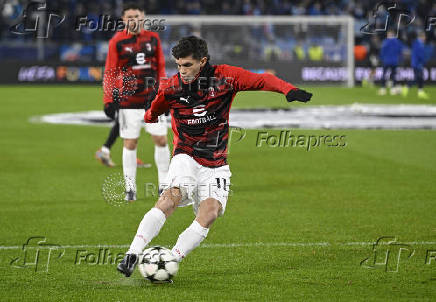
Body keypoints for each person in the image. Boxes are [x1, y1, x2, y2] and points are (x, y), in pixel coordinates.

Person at [116, 36, 313, 277]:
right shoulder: (171, 88)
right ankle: (132, 254)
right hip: (185, 155)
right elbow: (152, 113)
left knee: (210, 213)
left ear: (203, 61)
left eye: (187, 65)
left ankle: (171, 259)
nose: (182, 71)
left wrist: (288, 90)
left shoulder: (226, 77)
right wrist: (148, 117)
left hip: (217, 164)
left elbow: (262, 80)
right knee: (170, 198)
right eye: (178, 65)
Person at [103, 3, 170, 201]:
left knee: (161, 140)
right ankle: (130, 189)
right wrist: (108, 100)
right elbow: (110, 71)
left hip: (152, 100)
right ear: (124, 20)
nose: (133, 20)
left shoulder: (153, 38)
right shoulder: (116, 41)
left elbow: (161, 69)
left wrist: (164, 96)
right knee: (130, 143)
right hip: (128, 101)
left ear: (143, 17)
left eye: (137, 16)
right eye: (129, 17)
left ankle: (164, 186)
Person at [402, 32, 431, 99]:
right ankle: (407, 87)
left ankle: (420, 92)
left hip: (416, 63)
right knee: (417, 78)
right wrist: (423, 61)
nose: (425, 38)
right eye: (424, 37)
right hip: (418, 64)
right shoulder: (419, 44)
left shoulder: (417, 43)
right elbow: (420, 55)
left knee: (420, 78)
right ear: (421, 37)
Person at [378, 30, 404, 96]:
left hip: (386, 61)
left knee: (384, 74)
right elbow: (400, 52)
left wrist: (381, 59)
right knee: (393, 75)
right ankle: (393, 89)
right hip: (395, 61)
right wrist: (400, 60)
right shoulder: (398, 42)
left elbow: (382, 52)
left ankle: (383, 89)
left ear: (389, 35)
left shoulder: (385, 42)